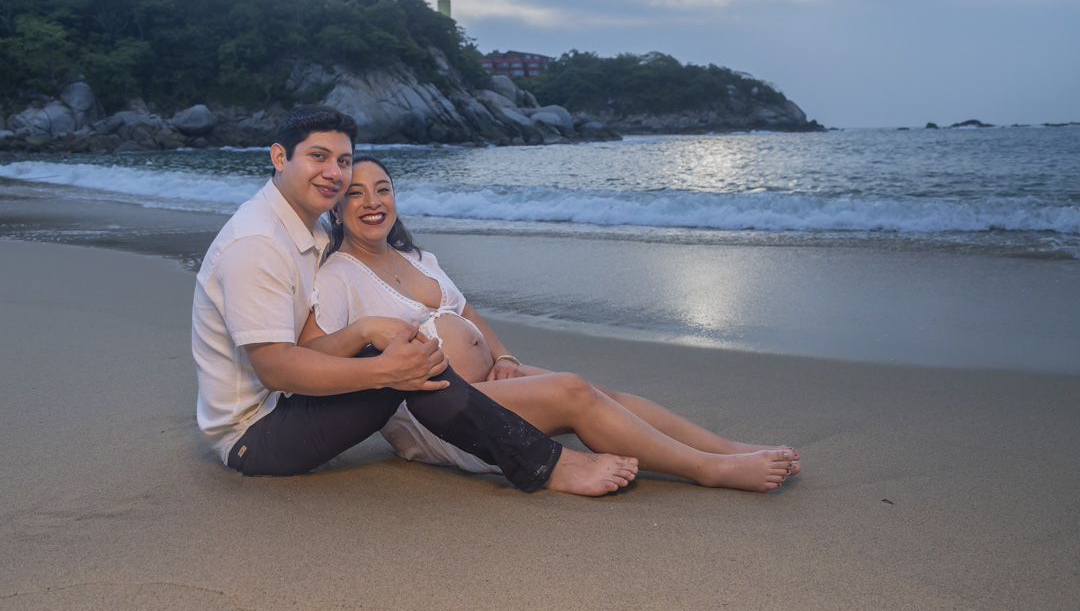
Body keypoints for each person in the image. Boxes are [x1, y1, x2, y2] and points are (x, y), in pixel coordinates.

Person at [192, 105, 638, 496]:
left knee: (406, 359)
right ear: (279, 157)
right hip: (254, 436)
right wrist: (382, 367)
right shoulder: (256, 244)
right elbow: (274, 369)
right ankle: (544, 464)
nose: (334, 172)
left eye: (343, 161)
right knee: (406, 365)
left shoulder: (313, 227)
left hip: (295, 401)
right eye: (318, 156)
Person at [300, 155, 801, 493]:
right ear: (336, 209)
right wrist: (365, 334)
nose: (373, 202)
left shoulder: (417, 258)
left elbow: (465, 313)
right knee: (572, 390)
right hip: (440, 418)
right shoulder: (338, 275)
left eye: (383, 190)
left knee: (603, 394)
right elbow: (310, 357)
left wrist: (503, 355)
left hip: (488, 382)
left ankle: (727, 448)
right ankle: (710, 470)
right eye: (356, 194)